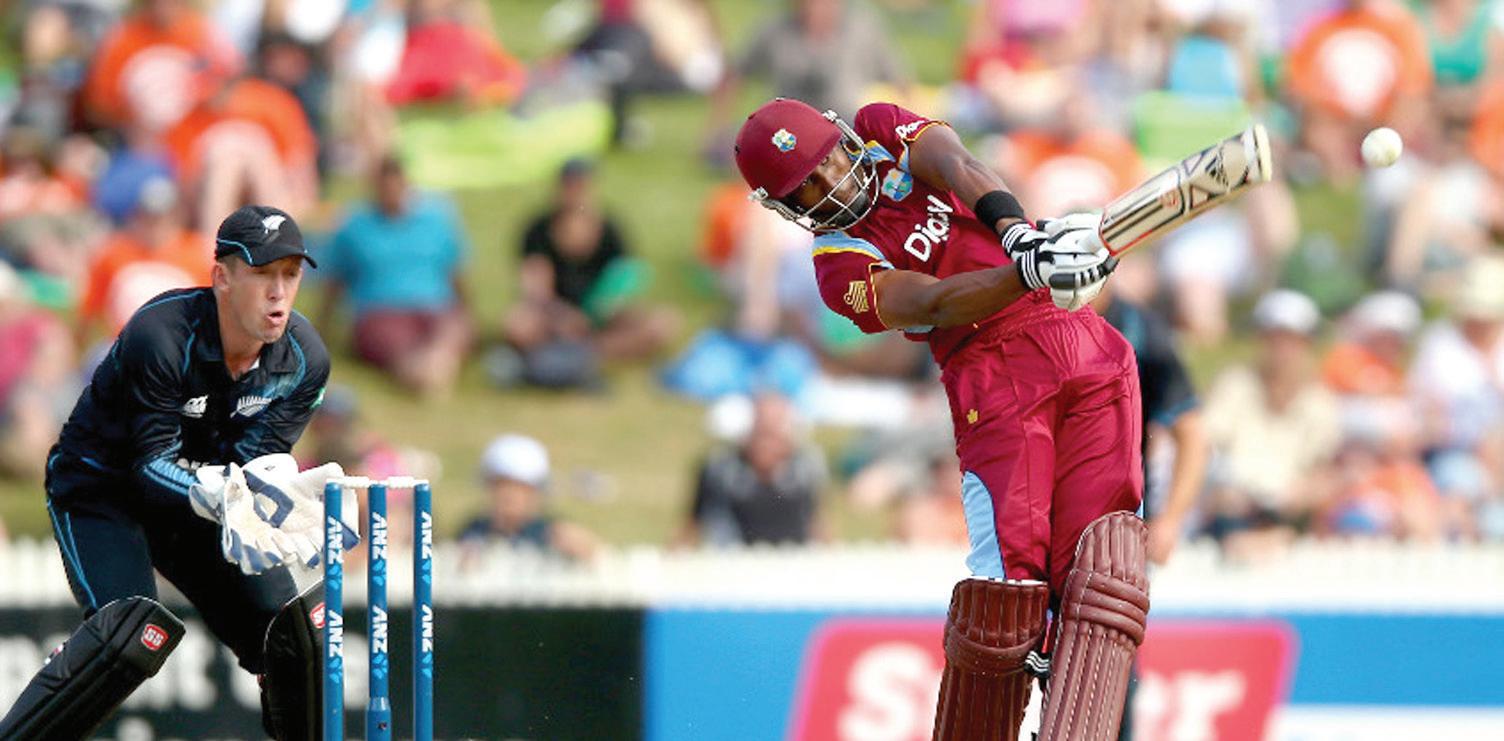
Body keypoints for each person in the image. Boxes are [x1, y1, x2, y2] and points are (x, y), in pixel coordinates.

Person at [732, 97, 1139, 740]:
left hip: (1080, 339)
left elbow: (956, 164)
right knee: (1009, 595)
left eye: (827, 162)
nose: (830, 184)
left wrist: (1018, 234)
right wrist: (1028, 270)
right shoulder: (837, 268)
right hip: (993, 375)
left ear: (842, 135)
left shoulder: (878, 127)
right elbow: (936, 302)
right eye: (806, 187)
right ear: (784, 207)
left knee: (1102, 567)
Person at [0, 206, 335, 739]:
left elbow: (257, 460)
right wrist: (224, 493)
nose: (278, 292)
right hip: (100, 488)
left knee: (296, 637)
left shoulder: (302, 359)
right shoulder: (162, 333)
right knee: (129, 635)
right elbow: (149, 463)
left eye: (290, 275)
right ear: (222, 277)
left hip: (197, 500)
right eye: (262, 274)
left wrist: (279, 499)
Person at [320, 154, 472, 396]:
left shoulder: (435, 221)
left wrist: (467, 311)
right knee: (395, 344)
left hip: (434, 306)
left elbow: (455, 273)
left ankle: (435, 366)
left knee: (451, 329)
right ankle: (421, 372)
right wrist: (322, 330)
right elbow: (335, 282)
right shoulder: (355, 226)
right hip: (381, 311)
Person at [674, 393, 829, 547]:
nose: (767, 445)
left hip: (792, 555)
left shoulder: (806, 470)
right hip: (733, 554)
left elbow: (816, 522)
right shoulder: (721, 470)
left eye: (773, 435)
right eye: (762, 434)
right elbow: (693, 524)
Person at [457, 433, 600, 561]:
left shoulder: (551, 533)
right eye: (502, 484)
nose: (510, 495)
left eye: (521, 487)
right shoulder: (474, 531)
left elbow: (591, 553)